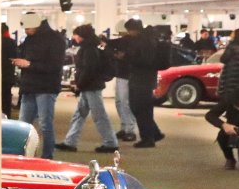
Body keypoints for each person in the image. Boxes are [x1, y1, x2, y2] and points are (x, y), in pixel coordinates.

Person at [57, 23, 116, 153]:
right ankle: (70, 141)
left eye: (76, 35)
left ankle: (110, 142)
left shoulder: (89, 49)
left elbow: (88, 70)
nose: (74, 37)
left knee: (98, 115)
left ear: (82, 36)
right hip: (89, 86)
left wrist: (79, 84)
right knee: (79, 115)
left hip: (91, 87)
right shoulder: (92, 47)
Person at [13, 11, 66, 158]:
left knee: (45, 124)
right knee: (23, 125)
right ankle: (21, 156)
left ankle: (47, 157)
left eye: (27, 28)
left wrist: (29, 64)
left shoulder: (55, 39)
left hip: (46, 87)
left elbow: (55, 66)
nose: (26, 31)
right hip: (29, 86)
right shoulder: (30, 39)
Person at [111, 18, 163, 148]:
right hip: (142, 78)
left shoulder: (146, 41)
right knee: (140, 108)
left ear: (134, 30)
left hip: (143, 79)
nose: (128, 33)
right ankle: (154, 133)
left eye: (129, 30)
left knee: (141, 108)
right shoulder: (145, 39)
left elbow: (144, 61)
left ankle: (148, 138)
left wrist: (125, 57)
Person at [106, 24, 138, 143]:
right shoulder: (126, 40)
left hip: (129, 75)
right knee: (119, 102)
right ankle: (124, 127)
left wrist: (123, 56)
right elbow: (112, 44)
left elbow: (134, 56)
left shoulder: (139, 42)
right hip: (121, 74)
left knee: (125, 102)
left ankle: (130, 130)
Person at [216, 28, 239, 103]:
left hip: (231, 74)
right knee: (238, 93)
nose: (231, 36)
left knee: (229, 95)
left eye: (232, 34)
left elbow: (223, 59)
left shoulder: (232, 46)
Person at [0, 24, 18, 118]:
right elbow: (15, 58)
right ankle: (7, 118)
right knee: (6, 99)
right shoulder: (11, 43)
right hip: (8, 76)